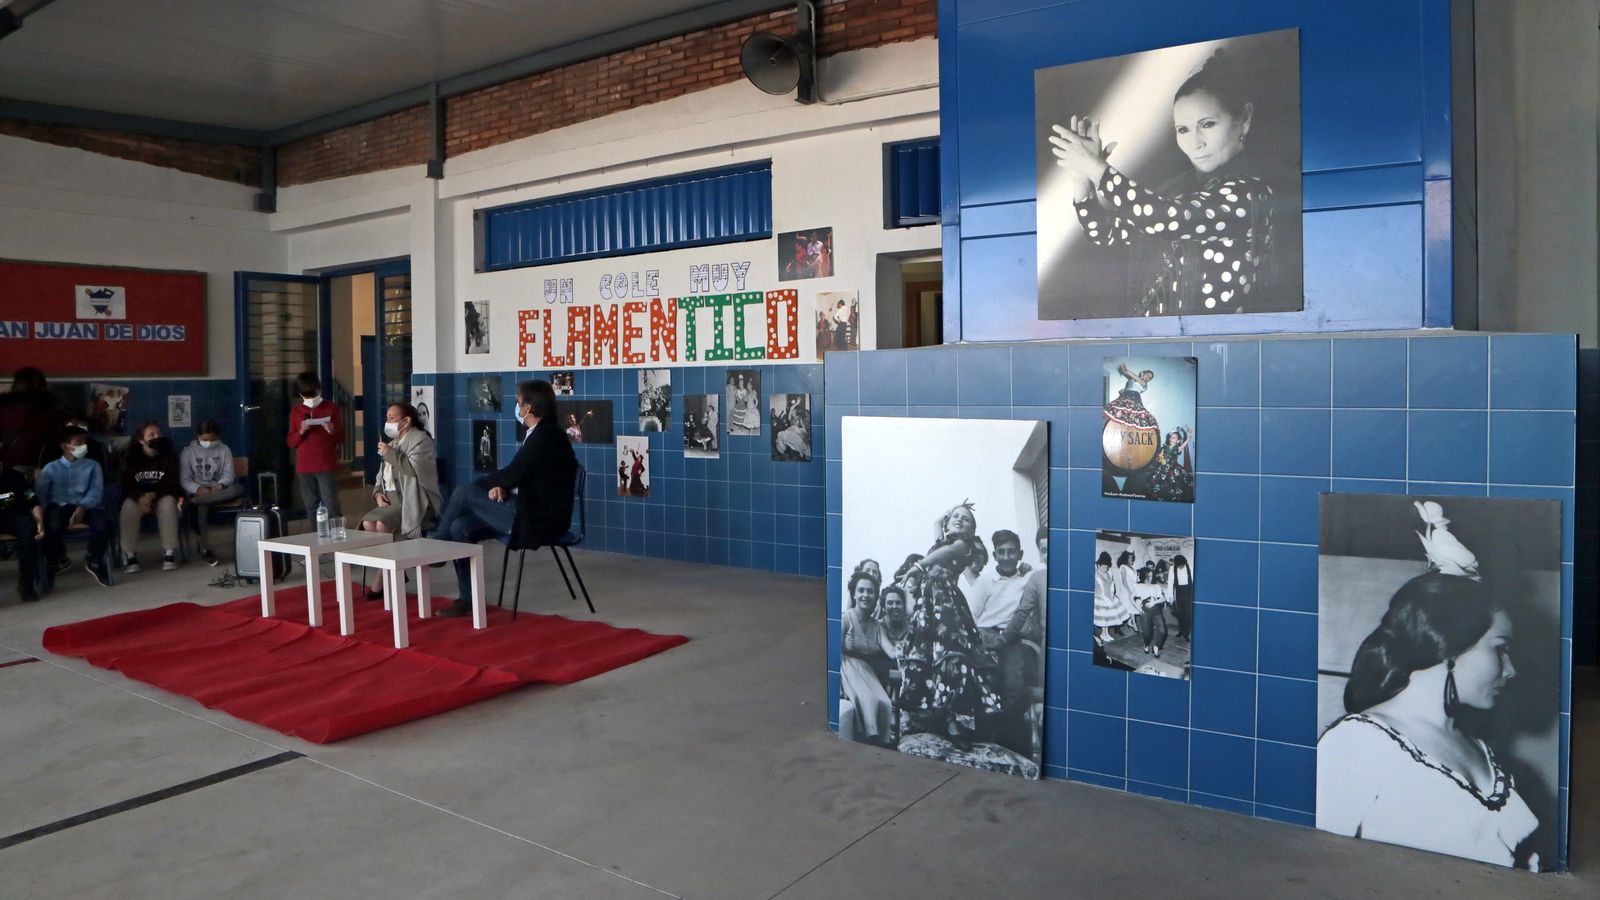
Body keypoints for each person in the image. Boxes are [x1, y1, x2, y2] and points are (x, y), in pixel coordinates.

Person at [1317, 572, 1536, 869]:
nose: (1511, 670)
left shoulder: (1480, 748)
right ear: (1451, 646)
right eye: (1500, 649)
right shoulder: (1357, 741)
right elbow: (1318, 865)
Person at [1049, 49, 1277, 316]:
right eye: (1183, 130)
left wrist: (1096, 168)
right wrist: (1081, 177)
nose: (1195, 143)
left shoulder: (1249, 193)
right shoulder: (1180, 191)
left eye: (1208, 124)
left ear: (1244, 119)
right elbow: (1108, 235)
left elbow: (1164, 218)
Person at [428, 379, 577, 617]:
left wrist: (489, 485)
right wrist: (502, 486)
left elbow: (514, 472)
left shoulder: (545, 436)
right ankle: (468, 599)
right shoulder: (543, 433)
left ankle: (436, 547)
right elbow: (523, 474)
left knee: (463, 493)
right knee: (459, 527)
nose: (516, 406)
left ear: (528, 407)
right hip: (529, 508)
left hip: (537, 520)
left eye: (518, 402)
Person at [896, 502, 1003, 747]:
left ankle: (956, 721)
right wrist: (948, 513)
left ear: (972, 530)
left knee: (951, 658)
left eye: (965, 519)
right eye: (956, 516)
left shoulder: (964, 545)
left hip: (946, 605)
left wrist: (918, 566)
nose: (959, 520)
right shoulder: (941, 542)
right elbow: (937, 525)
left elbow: (946, 552)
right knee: (928, 659)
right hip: (927, 606)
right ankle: (941, 719)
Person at [969, 529, 1038, 752]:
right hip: (986, 634)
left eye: (1011, 552)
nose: (1006, 557)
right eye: (1001, 552)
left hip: (1011, 638)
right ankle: (985, 742)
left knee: (1013, 686)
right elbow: (973, 616)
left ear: (1020, 554)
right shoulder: (985, 581)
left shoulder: (1028, 578)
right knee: (985, 685)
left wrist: (1027, 567)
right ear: (994, 555)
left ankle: (1012, 745)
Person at [36, 426, 111, 587]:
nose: (83, 446)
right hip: (60, 506)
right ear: (65, 446)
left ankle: (94, 560)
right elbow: (41, 495)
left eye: (84, 442)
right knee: (52, 525)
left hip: (87, 505)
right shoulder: (50, 468)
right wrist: (43, 513)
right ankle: (55, 560)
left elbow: (96, 492)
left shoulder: (93, 466)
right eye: (78, 443)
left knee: (103, 524)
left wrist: (83, 506)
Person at [840, 570, 898, 745]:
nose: (865, 595)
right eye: (861, 590)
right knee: (868, 699)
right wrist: (838, 687)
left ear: (875, 596)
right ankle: (869, 741)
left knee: (885, 703)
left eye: (870, 591)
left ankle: (881, 745)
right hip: (847, 669)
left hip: (867, 672)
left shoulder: (877, 625)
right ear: (854, 594)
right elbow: (833, 652)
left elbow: (892, 652)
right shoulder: (846, 618)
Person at [118, 421, 183, 573]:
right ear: (142, 440)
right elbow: (126, 483)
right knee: (128, 507)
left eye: (159, 434)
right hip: (138, 498)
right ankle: (129, 555)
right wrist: (139, 497)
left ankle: (169, 553)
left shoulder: (169, 455)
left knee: (168, 504)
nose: (156, 437)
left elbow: (172, 481)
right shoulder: (130, 456)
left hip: (161, 495)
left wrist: (154, 494)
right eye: (151, 435)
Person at [180, 418, 243, 566]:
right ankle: (205, 549)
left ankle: (196, 502)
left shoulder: (224, 449)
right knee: (202, 509)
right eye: (205, 439)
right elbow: (185, 479)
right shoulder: (188, 452)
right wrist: (198, 489)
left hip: (218, 491)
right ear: (198, 436)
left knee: (238, 489)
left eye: (212, 439)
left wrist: (219, 486)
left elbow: (229, 474)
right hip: (198, 491)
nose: (208, 442)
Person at [285, 371, 343, 518]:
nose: (310, 399)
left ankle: (336, 530)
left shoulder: (331, 408)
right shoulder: (296, 411)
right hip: (305, 465)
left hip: (325, 463)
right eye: (306, 396)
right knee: (311, 504)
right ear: (300, 394)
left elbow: (341, 438)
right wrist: (301, 431)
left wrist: (332, 430)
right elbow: (291, 442)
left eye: (312, 394)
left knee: (331, 503)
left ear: (318, 390)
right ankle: (315, 531)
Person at [0, 441, 44, 601]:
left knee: (28, 531)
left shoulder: (15, 477)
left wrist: (39, 521)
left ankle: (26, 583)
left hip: (12, 516)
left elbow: (32, 500)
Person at [0, 367, 65, 474]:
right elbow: (53, 438)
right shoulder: (49, 409)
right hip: (42, 463)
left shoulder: (6, 408)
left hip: (11, 461)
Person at [1147, 427, 1195, 502]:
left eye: (1174, 438)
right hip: (1163, 468)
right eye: (1171, 437)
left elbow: (1185, 443)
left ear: (1178, 441)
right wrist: (1161, 459)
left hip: (1173, 469)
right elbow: (1160, 457)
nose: (1171, 439)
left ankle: (1173, 498)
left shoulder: (1178, 449)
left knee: (1174, 484)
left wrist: (1189, 436)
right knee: (1159, 483)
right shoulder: (1164, 448)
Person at [1092, 550, 1129, 645]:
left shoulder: (1109, 572)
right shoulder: (1095, 574)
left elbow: (1112, 584)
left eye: (1106, 567)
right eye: (1103, 567)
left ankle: (1106, 634)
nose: (1105, 569)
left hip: (1110, 596)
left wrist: (1112, 596)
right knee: (1104, 617)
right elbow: (1094, 588)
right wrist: (1104, 598)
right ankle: (1103, 634)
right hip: (1100, 598)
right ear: (1098, 565)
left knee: (1108, 617)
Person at [1171, 552, 1195, 640]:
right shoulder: (1172, 568)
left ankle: (1186, 634)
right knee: (1180, 614)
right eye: (1178, 566)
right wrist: (1170, 597)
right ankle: (1181, 631)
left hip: (1189, 594)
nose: (1180, 567)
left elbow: (1195, 581)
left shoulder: (1191, 567)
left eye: (1182, 565)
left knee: (1188, 615)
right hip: (1179, 594)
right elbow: (1170, 583)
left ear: (1184, 563)